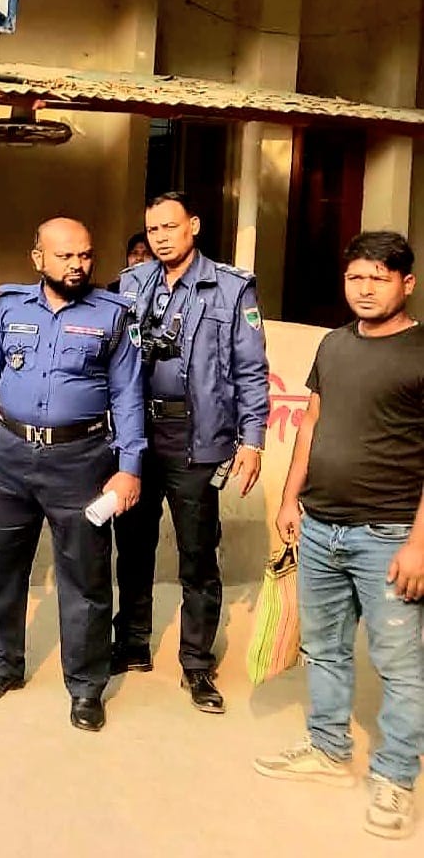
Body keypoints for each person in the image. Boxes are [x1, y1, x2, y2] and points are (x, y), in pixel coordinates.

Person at [254, 231, 424, 841]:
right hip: (321, 525)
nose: (365, 288)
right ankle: (328, 750)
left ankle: (395, 778)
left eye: (379, 277)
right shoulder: (333, 343)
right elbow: (310, 421)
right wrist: (291, 497)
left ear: (406, 283)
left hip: (390, 534)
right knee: (324, 649)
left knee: (400, 666)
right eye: (356, 277)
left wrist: (419, 544)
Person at [0, 217, 144, 731]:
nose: (78, 265)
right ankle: (2, 664)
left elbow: (128, 395)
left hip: (80, 461)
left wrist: (129, 468)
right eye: (65, 256)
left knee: (85, 578)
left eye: (85, 255)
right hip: (10, 455)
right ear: (38, 258)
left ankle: (86, 687)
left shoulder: (113, 316)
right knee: (2, 567)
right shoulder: (9, 307)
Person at [111, 191, 269, 712]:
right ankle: (132, 642)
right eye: (152, 229)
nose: (160, 237)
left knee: (198, 555)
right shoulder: (132, 283)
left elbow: (251, 370)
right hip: (139, 433)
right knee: (133, 545)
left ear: (193, 226)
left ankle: (197, 662)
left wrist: (252, 440)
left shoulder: (231, 287)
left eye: (170, 227)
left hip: (197, 438)